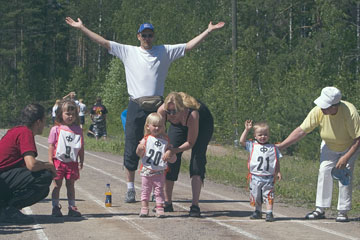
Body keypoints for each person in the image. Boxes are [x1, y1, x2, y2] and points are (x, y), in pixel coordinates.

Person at [65, 16, 225, 203]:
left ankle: (154, 184)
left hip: (157, 105)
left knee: (158, 144)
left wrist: (208, 31)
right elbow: (103, 42)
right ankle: (131, 188)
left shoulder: (164, 51)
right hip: (136, 103)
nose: (147, 38)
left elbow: (189, 46)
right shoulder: (128, 51)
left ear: (153, 36)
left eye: (150, 35)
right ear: (138, 36)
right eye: (144, 35)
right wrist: (82, 27)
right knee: (132, 144)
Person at [277, 86, 360, 222]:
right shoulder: (318, 111)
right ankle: (320, 209)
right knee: (324, 171)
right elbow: (301, 131)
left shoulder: (350, 113)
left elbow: (358, 138)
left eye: (326, 106)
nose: (322, 108)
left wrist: (346, 157)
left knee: (345, 176)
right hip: (328, 145)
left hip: (349, 146)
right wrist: (282, 146)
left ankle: (342, 211)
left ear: (335, 106)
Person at [157, 92, 214, 217]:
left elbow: (190, 143)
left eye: (174, 112)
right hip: (179, 126)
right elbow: (159, 132)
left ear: (182, 109)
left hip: (202, 124)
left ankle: (195, 205)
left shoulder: (193, 114)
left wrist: (174, 150)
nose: (171, 115)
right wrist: (167, 148)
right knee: (170, 160)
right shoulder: (162, 111)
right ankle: (167, 202)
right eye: (169, 111)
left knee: (197, 161)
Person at [0, 103, 56, 224]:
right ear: (38, 122)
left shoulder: (16, 130)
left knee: (43, 188)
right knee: (44, 176)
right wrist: (50, 165)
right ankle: (7, 210)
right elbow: (32, 165)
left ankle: (4, 206)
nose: (45, 124)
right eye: (44, 120)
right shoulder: (25, 133)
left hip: (3, 179)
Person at [239, 120, 282, 222]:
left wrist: (278, 171)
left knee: (269, 195)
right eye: (260, 135)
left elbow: (276, 160)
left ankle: (269, 212)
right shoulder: (252, 145)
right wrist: (246, 129)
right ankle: (258, 211)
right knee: (256, 195)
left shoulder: (273, 148)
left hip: (268, 177)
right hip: (255, 177)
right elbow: (241, 141)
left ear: (269, 135)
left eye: (265, 135)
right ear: (255, 136)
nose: (263, 137)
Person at [48, 100, 85, 217]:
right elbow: (51, 145)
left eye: (72, 114)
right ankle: (55, 207)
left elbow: (81, 147)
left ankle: (72, 206)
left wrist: (81, 160)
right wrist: (50, 160)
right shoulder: (56, 129)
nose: (70, 116)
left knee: (70, 185)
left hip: (72, 162)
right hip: (58, 161)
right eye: (67, 114)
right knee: (57, 185)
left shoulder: (78, 130)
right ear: (60, 114)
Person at [136, 113, 176, 218]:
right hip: (147, 170)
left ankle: (160, 208)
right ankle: (144, 208)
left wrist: (170, 154)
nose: (157, 128)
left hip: (159, 171)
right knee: (146, 190)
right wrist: (140, 148)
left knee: (159, 191)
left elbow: (172, 158)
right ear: (148, 126)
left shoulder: (166, 141)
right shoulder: (146, 139)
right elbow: (139, 153)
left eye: (160, 126)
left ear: (164, 126)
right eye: (154, 125)